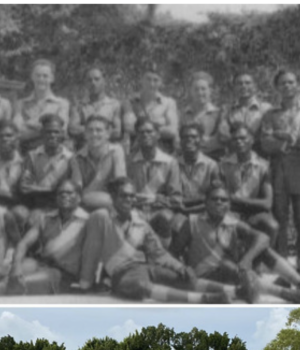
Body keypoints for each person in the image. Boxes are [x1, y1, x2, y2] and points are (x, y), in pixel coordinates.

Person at [79, 177, 226, 303]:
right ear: (113, 197)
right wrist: (86, 284)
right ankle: (204, 300)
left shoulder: (140, 222)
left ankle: (234, 291)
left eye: (131, 196)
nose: (129, 199)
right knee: (141, 286)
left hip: (146, 267)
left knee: (181, 276)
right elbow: (91, 251)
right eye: (123, 196)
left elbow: (158, 253)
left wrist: (180, 267)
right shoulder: (101, 217)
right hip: (122, 274)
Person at [175, 184, 300, 304]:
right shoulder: (192, 222)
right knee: (229, 266)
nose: (219, 202)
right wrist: (183, 268)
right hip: (204, 276)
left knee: (263, 250)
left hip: (233, 271)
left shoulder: (233, 223)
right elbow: (173, 253)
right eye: (214, 199)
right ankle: (288, 294)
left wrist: (246, 259)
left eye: (224, 200)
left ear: (229, 205)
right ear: (206, 203)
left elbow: (263, 238)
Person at [261, 70, 300, 279]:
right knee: (280, 222)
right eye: (283, 83)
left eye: (291, 82)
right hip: (279, 170)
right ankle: (284, 271)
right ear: (277, 87)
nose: (287, 86)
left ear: (297, 84)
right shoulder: (270, 114)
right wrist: (287, 141)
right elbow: (266, 143)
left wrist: (284, 135)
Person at [9, 180, 89, 295]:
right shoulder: (46, 218)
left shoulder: (88, 221)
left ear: (79, 197)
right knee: (12, 275)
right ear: (56, 198)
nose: (64, 195)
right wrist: (16, 266)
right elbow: (24, 243)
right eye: (60, 193)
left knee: (22, 284)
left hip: (64, 274)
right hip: (41, 264)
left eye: (69, 192)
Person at [126, 118, 182, 247]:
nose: (145, 135)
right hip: (135, 210)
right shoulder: (129, 161)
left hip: (160, 210)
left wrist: (157, 200)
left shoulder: (170, 162)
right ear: (137, 136)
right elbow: (123, 191)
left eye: (149, 131)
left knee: (165, 219)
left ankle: (164, 256)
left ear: (157, 135)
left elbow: (176, 198)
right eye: (141, 132)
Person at [219, 123, 278, 244]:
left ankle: (262, 260)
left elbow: (267, 203)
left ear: (252, 140)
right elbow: (222, 196)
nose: (239, 142)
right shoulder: (224, 165)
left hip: (254, 211)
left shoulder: (263, 165)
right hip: (231, 210)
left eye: (243, 138)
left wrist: (240, 200)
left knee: (272, 226)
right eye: (235, 139)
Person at [19, 114, 73, 218]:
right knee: (35, 219)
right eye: (48, 132)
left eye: (56, 132)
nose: (52, 135)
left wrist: (39, 189)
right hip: (39, 206)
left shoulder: (71, 158)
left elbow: (71, 189)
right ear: (42, 133)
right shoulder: (32, 156)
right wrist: (52, 190)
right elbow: (25, 187)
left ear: (62, 134)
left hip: (62, 206)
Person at [69, 115, 126, 212]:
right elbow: (77, 188)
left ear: (107, 134)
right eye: (90, 130)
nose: (94, 134)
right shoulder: (76, 158)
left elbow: (120, 183)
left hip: (111, 202)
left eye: (99, 130)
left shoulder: (116, 151)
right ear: (85, 134)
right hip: (86, 203)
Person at [13, 59, 70, 153]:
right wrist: (46, 128)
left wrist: (28, 124)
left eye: (45, 76)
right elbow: (17, 132)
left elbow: (61, 131)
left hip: (52, 153)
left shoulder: (62, 104)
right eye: (38, 75)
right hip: (26, 152)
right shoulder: (21, 104)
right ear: (32, 77)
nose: (41, 79)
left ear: (52, 78)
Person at [124, 64, 179, 153]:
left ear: (161, 82)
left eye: (155, 80)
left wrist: (144, 129)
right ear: (141, 80)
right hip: (137, 149)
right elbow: (129, 127)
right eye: (148, 79)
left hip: (162, 148)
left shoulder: (169, 103)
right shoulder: (131, 101)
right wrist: (158, 127)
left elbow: (172, 130)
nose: (151, 84)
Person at [69, 67, 122, 148]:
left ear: (104, 81)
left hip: (107, 149)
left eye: (97, 79)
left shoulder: (114, 104)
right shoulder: (79, 106)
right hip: (85, 149)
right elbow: (72, 129)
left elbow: (117, 132)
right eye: (89, 80)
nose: (93, 83)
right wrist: (103, 130)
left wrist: (85, 129)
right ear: (86, 83)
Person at [218, 71, 271, 150]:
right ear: (234, 87)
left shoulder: (265, 108)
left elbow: (268, 135)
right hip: (235, 152)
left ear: (254, 86)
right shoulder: (227, 109)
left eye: (248, 83)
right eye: (239, 83)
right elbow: (223, 135)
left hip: (260, 152)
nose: (243, 86)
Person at [177, 124, 220, 217]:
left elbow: (214, 196)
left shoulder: (211, 165)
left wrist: (188, 209)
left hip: (204, 211)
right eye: (185, 137)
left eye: (194, 136)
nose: (189, 139)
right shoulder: (173, 164)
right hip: (178, 211)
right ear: (180, 141)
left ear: (201, 140)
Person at [181, 71, 222, 159]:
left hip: (211, 159)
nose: (200, 93)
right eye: (196, 89)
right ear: (190, 91)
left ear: (210, 91)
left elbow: (219, 141)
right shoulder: (182, 113)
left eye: (203, 89)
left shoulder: (219, 114)